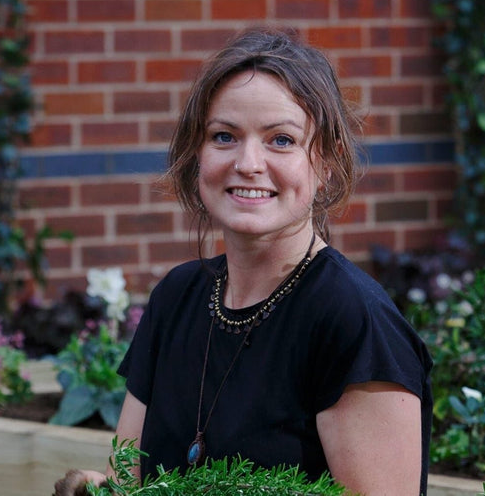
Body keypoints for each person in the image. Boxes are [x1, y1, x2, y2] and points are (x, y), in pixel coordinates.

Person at [57, 28, 432, 495]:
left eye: (281, 140)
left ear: (327, 164)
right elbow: (131, 483)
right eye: (224, 136)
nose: (248, 162)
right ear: (198, 159)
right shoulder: (175, 299)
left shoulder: (354, 321)